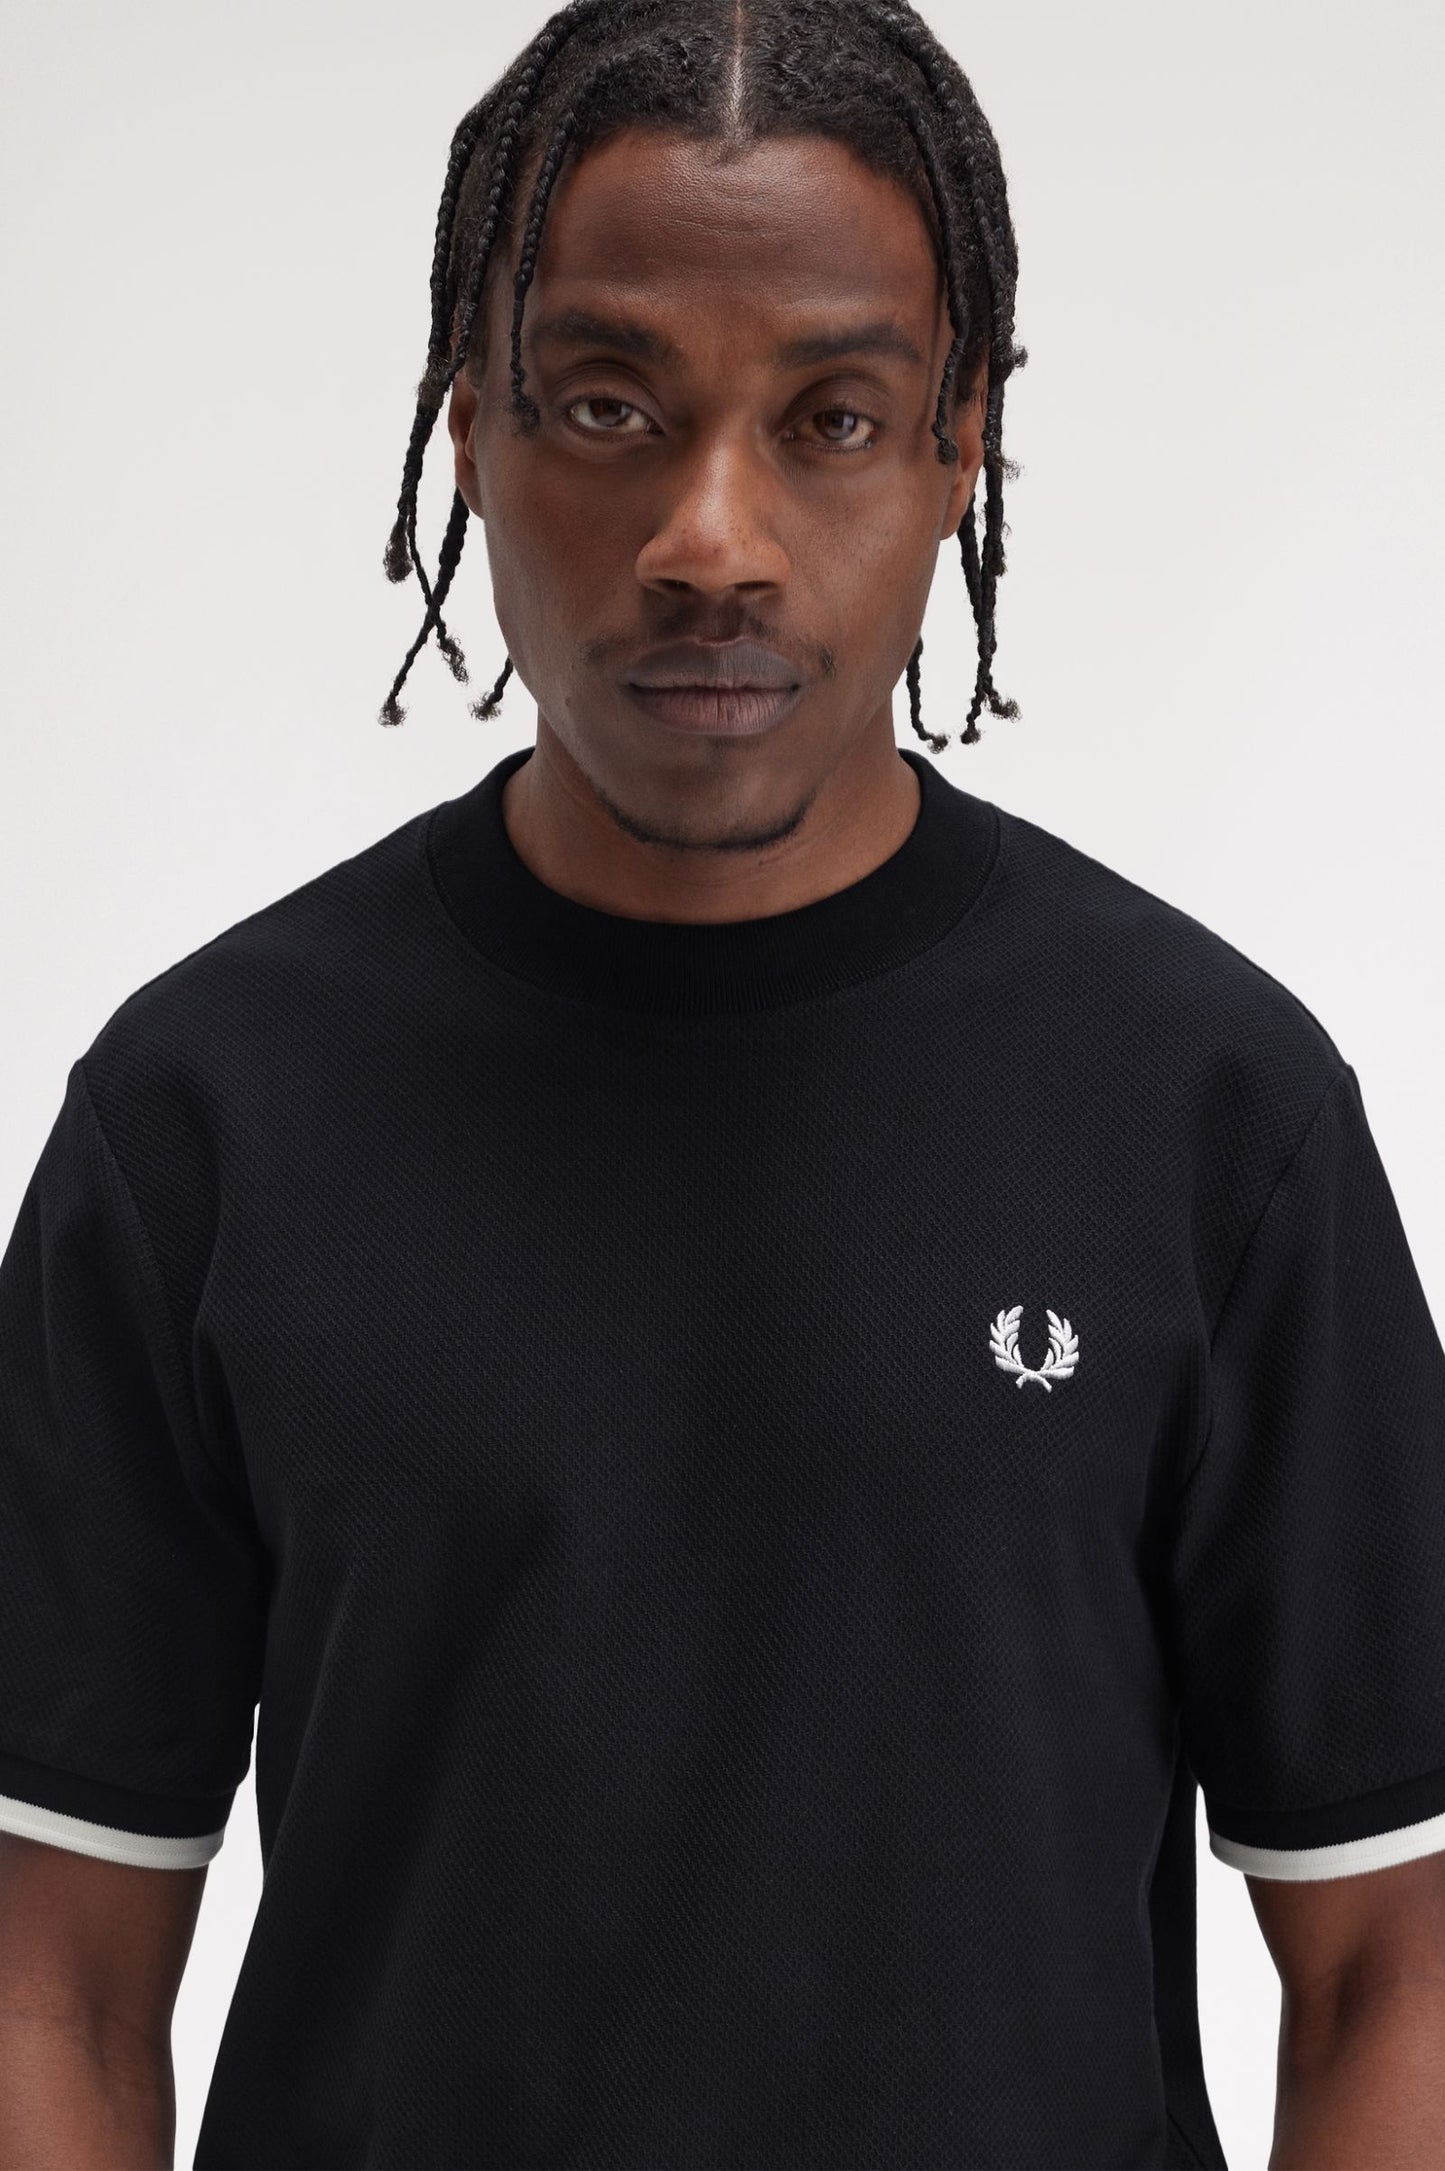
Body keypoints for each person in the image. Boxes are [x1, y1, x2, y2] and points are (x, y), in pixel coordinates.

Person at [2, 2, 1443, 2164]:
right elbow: (53, 1982)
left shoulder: (1211, 1115)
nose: (710, 537)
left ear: (961, 449)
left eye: (832, 418)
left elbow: (1393, 1962)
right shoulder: (200, 1121)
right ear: (467, 428)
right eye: (608, 403)